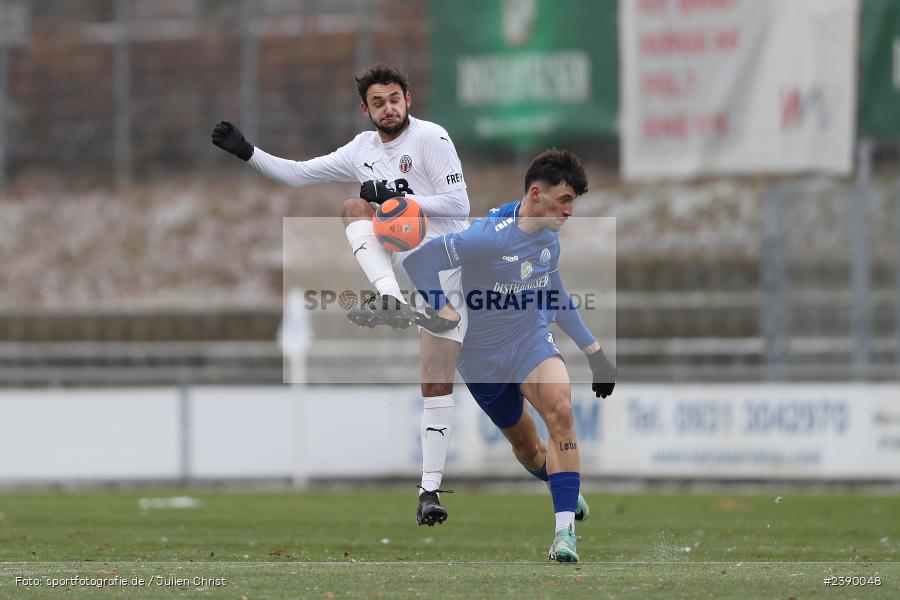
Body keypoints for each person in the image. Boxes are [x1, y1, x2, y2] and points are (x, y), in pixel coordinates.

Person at [211, 64, 467, 526]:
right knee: (352, 207)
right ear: (365, 109)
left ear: (408, 99)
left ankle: (551, 474)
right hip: (414, 278)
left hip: (451, 268)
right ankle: (429, 492)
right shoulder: (362, 149)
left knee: (516, 427)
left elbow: (458, 205)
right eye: (377, 102)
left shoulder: (432, 138)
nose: (387, 108)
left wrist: (394, 195)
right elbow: (297, 174)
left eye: (394, 98)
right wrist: (247, 153)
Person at [402, 149, 617, 563]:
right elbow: (420, 261)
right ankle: (561, 485)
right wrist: (439, 307)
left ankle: (564, 535)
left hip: (529, 340)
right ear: (537, 194)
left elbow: (556, 295)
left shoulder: (549, 240)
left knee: (561, 412)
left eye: (574, 202)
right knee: (530, 449)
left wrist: (595, 353)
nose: (571, 211)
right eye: (565, 200)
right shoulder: (485, 237)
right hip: (481, 360)